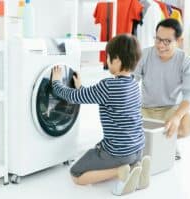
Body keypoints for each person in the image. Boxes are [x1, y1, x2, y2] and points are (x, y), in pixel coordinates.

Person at [51, 34, 151, 196]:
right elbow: (89, 95)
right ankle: (135, 167)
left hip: (118, 153)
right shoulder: (134, 84)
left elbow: (74, 97)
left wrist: (56, 83)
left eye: (108, 57)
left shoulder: (108, 85)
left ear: (117, 60)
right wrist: (80, 87)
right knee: (114, 150)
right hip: (137, 148)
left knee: (76, 175)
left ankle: (120, 171)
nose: (107, 61)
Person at [134, 18, 190, 160]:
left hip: (170, 110)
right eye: (158, 39)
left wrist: (176, 117)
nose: (161, 45)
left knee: (189, 122)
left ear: (179, 41)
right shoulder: (144, 54)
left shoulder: (186, 61)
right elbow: (132, 79)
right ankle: (158, 145)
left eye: (167, 41)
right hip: (144, 109)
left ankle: (166, 143)